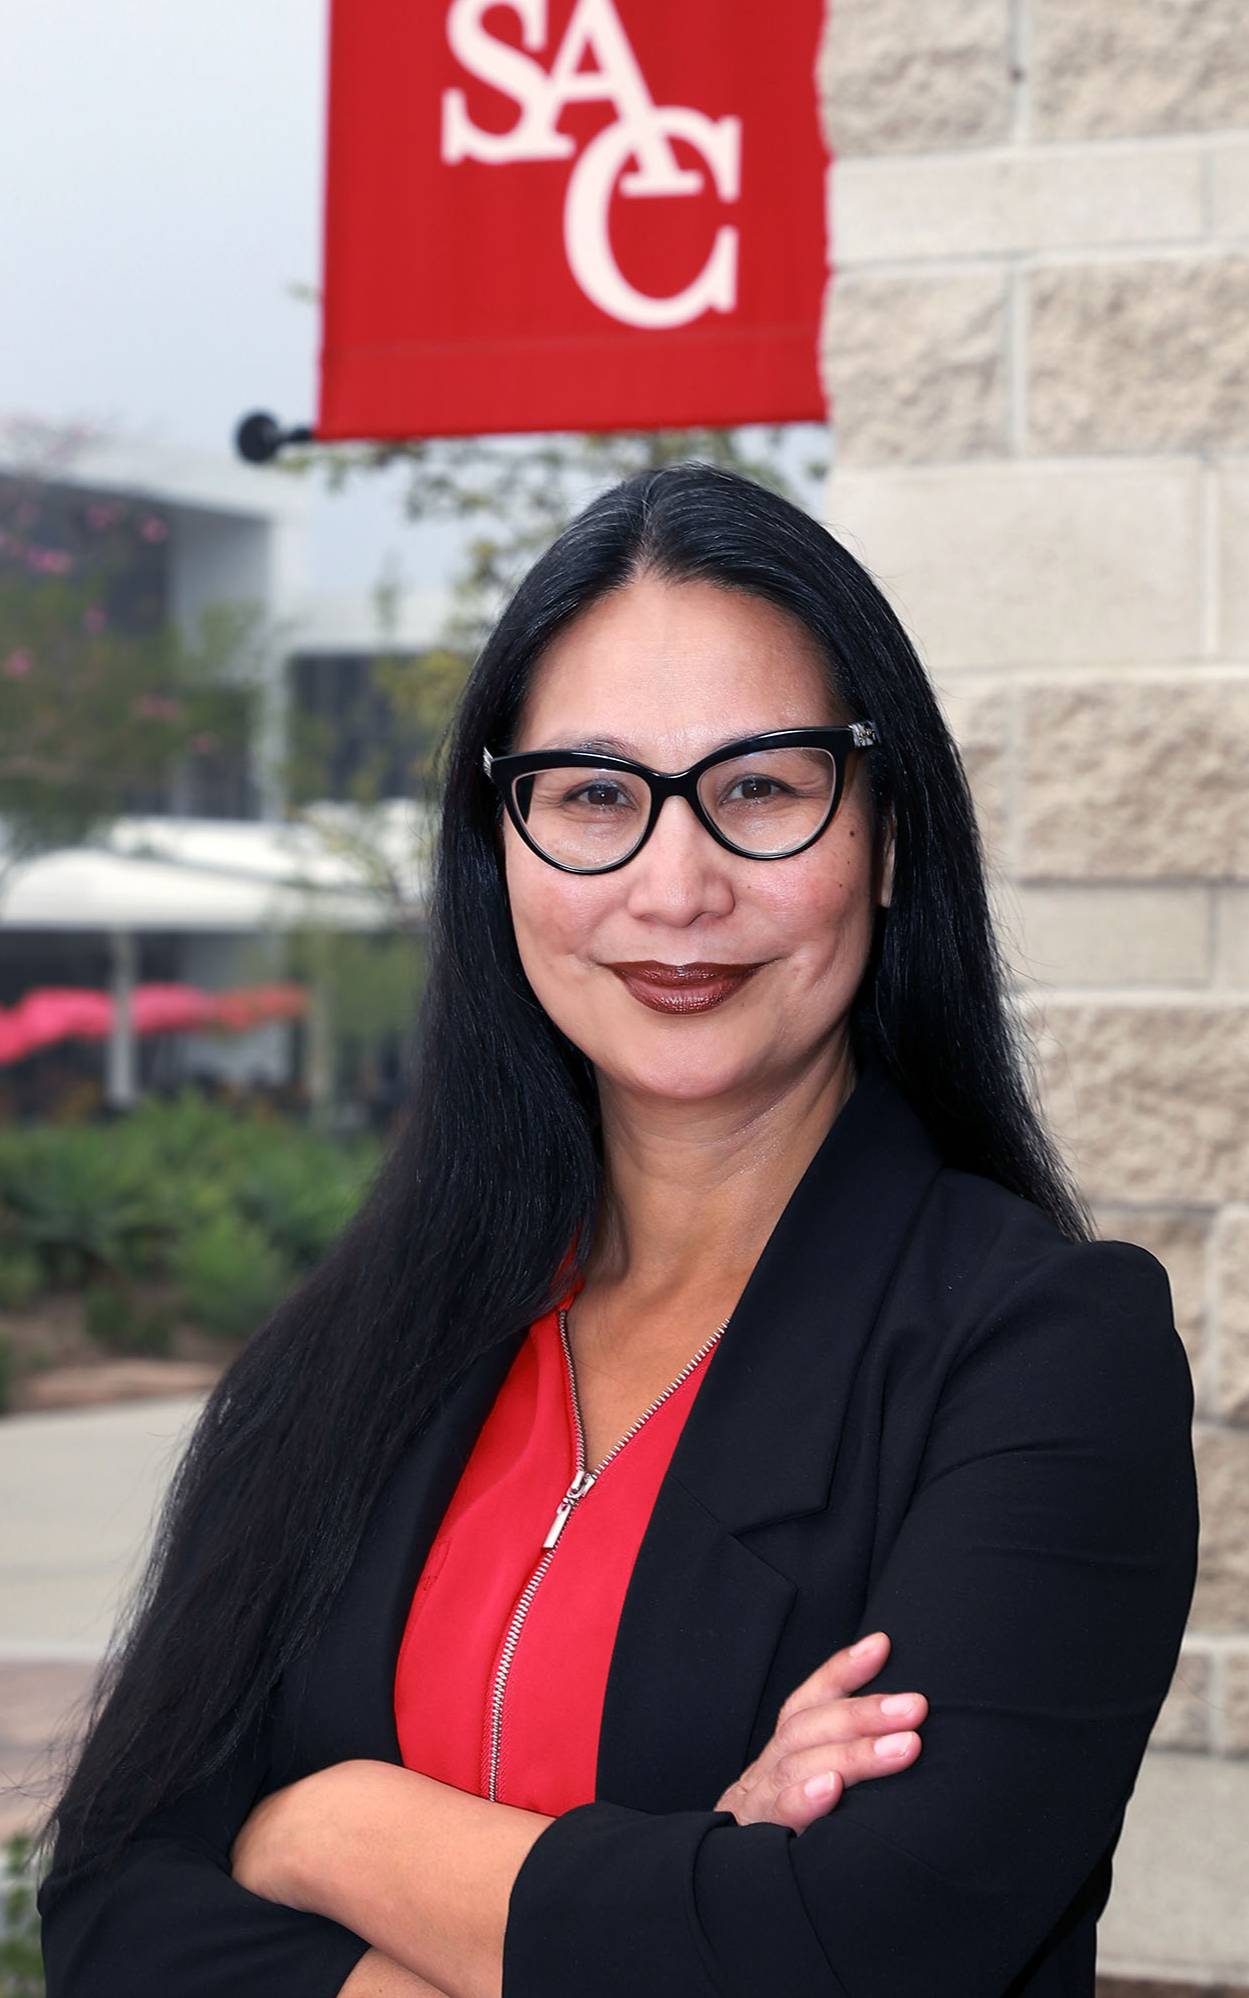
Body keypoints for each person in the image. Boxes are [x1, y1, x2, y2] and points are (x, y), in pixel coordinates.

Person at [39, 464, 1199, 1998]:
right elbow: (115, 1913)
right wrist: (679, 1881)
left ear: (890, 836)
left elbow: (851, 1957)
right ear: (497, 842)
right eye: (593, 794)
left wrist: (329, 1826)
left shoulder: (1044, 1358)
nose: (675, 884)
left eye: (762, 788)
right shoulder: (347, 1350)